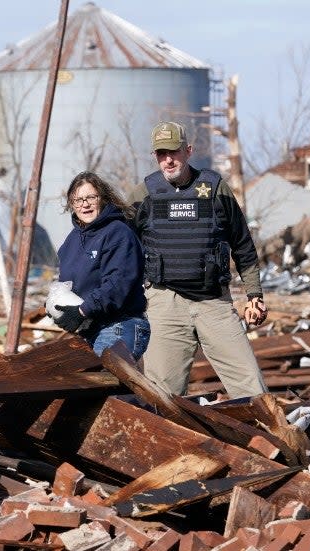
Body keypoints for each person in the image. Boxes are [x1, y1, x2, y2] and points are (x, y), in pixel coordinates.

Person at [128, 121, 268, 398]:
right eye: (161, 153)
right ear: (154, 156)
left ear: (188, 150)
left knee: (251, 386)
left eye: (174, 152)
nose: (168, 160)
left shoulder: (215, 188)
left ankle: (269, 439)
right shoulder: (144, 194)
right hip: (165, 303)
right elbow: (118, 244)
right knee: (160, 397)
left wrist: (254, 294)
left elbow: (242, 244)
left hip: (213, 302)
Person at [51, 171, 150, 359]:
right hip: (90, 328)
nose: (85, 204)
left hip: (119, 326)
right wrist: (56, 305)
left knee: (104, 385)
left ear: (103, 198)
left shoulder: (118, 233)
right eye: (78, 200)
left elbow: (117, 283)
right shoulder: (72, 240)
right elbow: (68, 284)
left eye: (90, 197)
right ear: (71, 204)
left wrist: (82, 310)